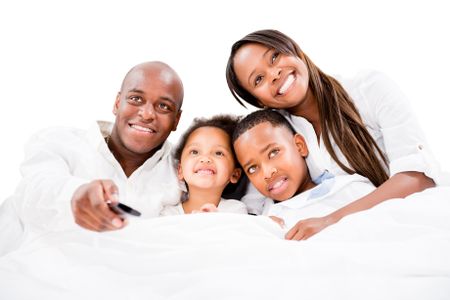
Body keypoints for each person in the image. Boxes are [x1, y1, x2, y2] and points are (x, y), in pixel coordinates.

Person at [226, 29, 442, 236]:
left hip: (412, 221)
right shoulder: (277, 134)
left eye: (274, 57)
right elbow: (254, 205)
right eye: (258, 79)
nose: (274, 74)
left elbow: (417, 178)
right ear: (259, 102)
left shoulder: (369, 90)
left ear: (293, 49)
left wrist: (331, 221)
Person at [0, 61, 184, 254]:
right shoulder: (61, 142)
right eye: (136, 99)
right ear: (116, 103)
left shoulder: (185, 170)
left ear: (176, 120)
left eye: (163, 106)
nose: (147, 114)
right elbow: (34, 188)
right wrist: (75, 196)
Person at [233, 109, 376, 240]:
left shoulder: (349, 189)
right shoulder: (261, 223)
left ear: (299, 146)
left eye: (273, 152)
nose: (267, 172)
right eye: (252, 168)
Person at [160, 115, 247, 216]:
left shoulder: (235, 209)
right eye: (195, 152)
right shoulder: (168, 214)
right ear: (180, 170)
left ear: (235, 174)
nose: (205, 159)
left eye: (218, 153)